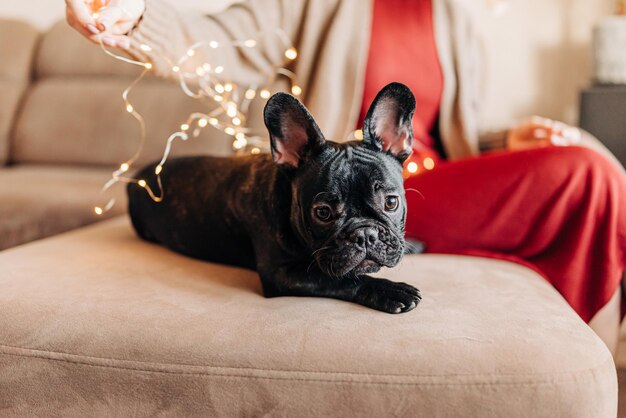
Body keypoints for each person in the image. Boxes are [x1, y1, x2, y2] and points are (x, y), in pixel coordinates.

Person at [66, 0, 626, 341]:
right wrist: (139, 17)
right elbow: (221, 39)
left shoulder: (456, 16)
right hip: (344, 186)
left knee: (594, 164)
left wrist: (508, 141)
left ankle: (587, 373)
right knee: (591, 174)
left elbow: (448, 131)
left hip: (410, 191)